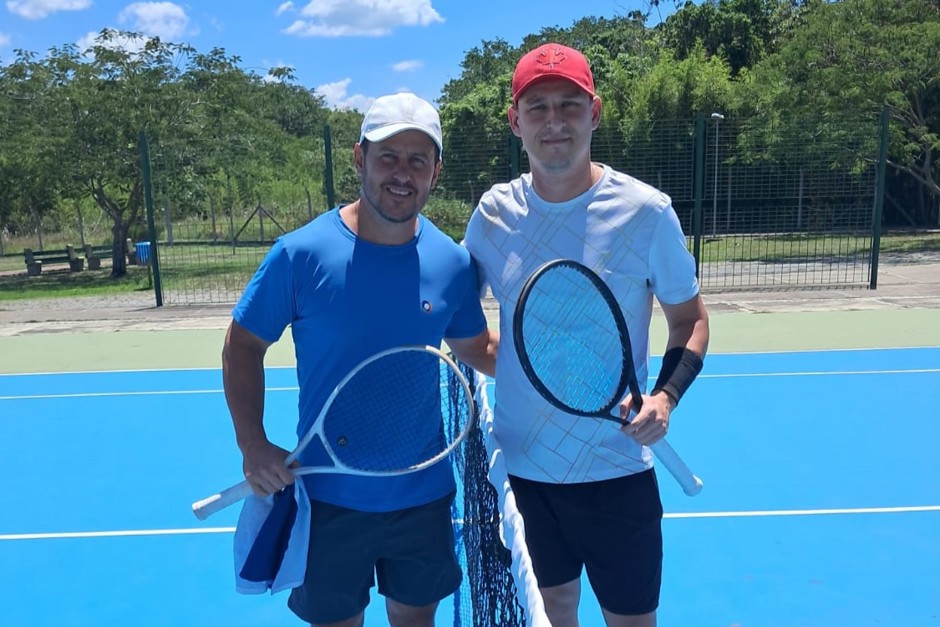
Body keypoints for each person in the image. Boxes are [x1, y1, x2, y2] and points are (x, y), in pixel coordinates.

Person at [222, 92, 498, 627]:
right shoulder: (299, 255)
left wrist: (553, 364)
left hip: (422, 498)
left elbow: (477, 348)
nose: (402, 173)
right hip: (328, 500)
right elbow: (243, 344)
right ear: (359, 158)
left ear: (436, 172)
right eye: (388, 156)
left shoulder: (452, 263)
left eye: (418, 160)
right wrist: (252, 444)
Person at [463, 43, 710, 627]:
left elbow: (691, 321)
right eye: (538, 107)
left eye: (569, 105)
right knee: (550, 613)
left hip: (618, 473)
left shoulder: (647, 212)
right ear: (515, 121)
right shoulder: (492, 215)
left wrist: (664, 398)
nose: (555, 121)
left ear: (594, 113)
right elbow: (466, 328)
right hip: (524, 473)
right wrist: (538, 374)